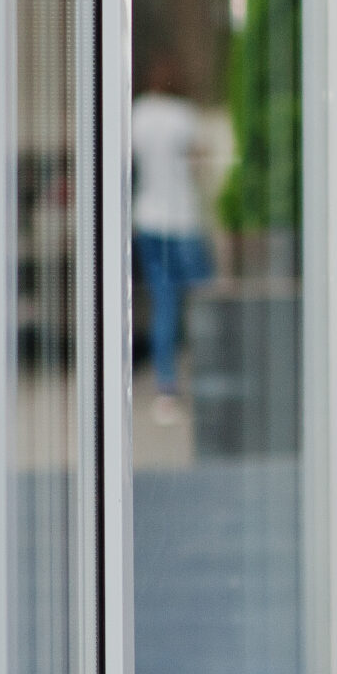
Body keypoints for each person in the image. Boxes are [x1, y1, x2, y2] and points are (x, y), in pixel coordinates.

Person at [130, 57, 213, 424]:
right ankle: (209, 378)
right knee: (201, 301)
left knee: (164, 303)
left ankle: (167, 389)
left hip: (149, 218)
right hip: (182, 220)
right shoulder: (183, 115)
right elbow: (198, 162)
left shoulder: (137, 115)